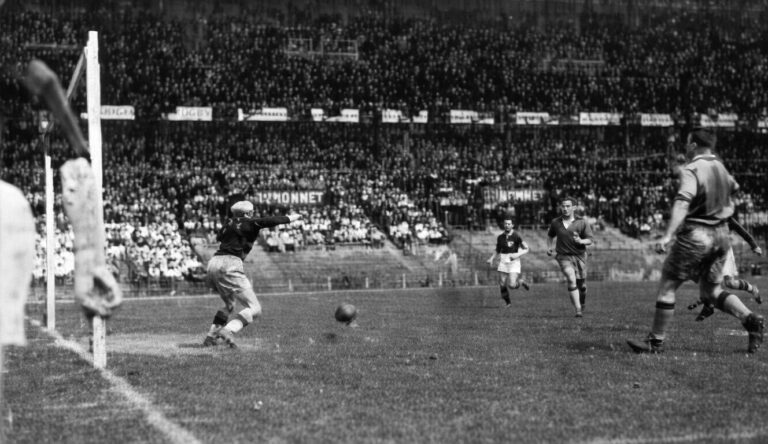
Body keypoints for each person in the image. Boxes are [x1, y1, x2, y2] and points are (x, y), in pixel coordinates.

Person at [627, 129, 764, 354]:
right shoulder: (721, 168)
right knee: (710, 292)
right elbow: (734, 190)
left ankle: (655, 342)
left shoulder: (692, 168)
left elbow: (682, 202)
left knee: (668, 286)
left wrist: (668, 234)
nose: (686, 146)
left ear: (693, 145)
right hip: (722, 237)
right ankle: (751, 320)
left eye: (687, 142)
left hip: (697, 235)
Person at [203, 201, 301, 348]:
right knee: (255, 308)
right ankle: (227, 330)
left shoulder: (227, 224)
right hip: (230, 264)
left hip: (213, 263)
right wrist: (293, 217)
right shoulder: (251, 222)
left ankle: (210, 337)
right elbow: (269, 221)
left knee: (229, 305)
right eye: (252, 212)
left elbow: (219, 237)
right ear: (248, 213)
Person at [688, 217, 763, 320]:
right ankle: (708, 307)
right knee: (704, 278)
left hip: (723, 251)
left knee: (730, 283)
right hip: (708, 251)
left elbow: (741, 230)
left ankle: (752, 289)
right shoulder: (703, 213)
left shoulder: (725, 217)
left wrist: (754, 245)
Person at [546, 196, 594, 317]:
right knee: (571, 279)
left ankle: (582, 302)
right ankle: (578, 310)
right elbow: (550, 235)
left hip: (580, 256)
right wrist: (549, 247)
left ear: (574, 207)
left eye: (568, 206)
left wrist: (581, 241)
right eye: (563, 206)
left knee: (582, 285)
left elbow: (590, 240)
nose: (565, 208)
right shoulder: (555, 222)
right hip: (563, 256)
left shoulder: (582, 222)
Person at [487, 218, 530, 307]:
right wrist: (491, 258)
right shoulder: (500, 237)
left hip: (514, 261)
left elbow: (526, 248)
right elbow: (497, 250)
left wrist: (517, 254)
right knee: (502, 283)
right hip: (503, 259)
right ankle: (508, 303)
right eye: (506, 223)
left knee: (511, 285)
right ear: (504, 225)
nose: (507, 225)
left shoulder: (516, 236)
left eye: (509, 224)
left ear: (512, 225)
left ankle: (520, 282)